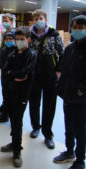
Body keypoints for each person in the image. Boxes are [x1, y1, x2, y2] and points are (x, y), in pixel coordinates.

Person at [53, 15, 86, 169]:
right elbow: (62, 68)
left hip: (81, 97)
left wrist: (80, 90)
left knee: (79, 129)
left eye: (80, 28)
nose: (76, 30)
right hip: (67, 95)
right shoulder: (70, 47)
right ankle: (70, 152)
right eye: (74, 27)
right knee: (68, 126)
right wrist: (60, 87)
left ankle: (80, 161)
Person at [0, 27, 37, 168]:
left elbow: (24, 73)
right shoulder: (13, 53)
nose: (19, 41)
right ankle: (14, 142)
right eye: (18, 39)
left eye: (22, 39)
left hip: (22, 93)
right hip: (10, 90)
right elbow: (5, 70)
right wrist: (14, 75)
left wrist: (13, 73)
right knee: (13, 119)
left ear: (28, 39)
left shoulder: (31, 55)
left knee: (17, 120)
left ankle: (17, 150)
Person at [28, 9, 64, 149]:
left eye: (40, 18)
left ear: (46, 19)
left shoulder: (53, 34)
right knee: (34, 102)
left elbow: (62, 53)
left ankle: (48, 134)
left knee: (49, 105)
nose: (38, 20)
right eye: (35, 18)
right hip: (34, 75)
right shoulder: (29, 35)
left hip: (50, 75)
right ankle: (35, 127)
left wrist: (59, 71)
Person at [0, 13, 16, 119]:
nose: (4, 23)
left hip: (10, 68)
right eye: (3, 21)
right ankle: (4, 107)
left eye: (6, 20)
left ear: (12, 21)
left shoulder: (14, 33)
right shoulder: (5, 33)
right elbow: (3, 50)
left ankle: (6, 113)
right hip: (4, 67)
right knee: (4, 90)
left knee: (9, 92)